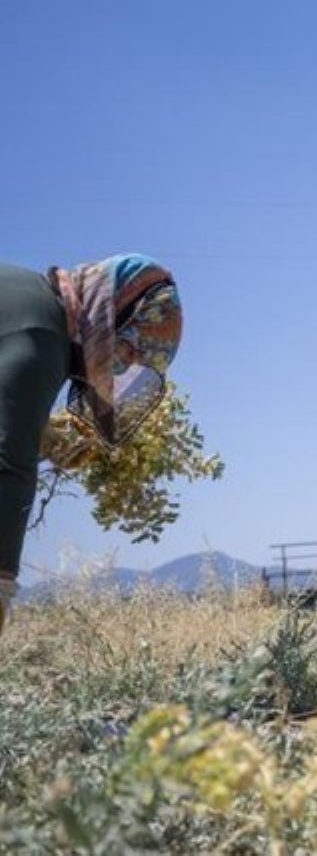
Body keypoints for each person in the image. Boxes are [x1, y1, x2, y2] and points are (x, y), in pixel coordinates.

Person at [0, 255, 183, 635]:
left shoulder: (30, 303)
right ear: (109, 313)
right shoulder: (43, 332)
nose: (117, 371)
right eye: (127, 353)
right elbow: (8, 465)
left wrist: (38, 431)